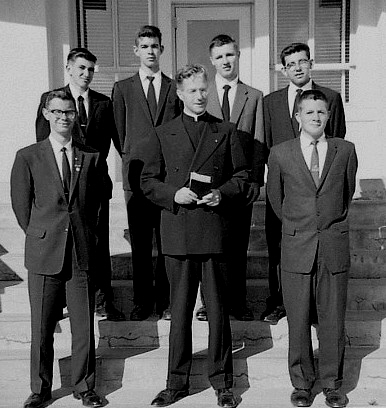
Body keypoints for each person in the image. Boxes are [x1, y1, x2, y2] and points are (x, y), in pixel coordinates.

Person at [139, 64, 250, 408]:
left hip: (214, 232)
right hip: (178, 235)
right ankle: (176, 384)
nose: (200, 96)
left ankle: (223, 383)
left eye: (204, 89)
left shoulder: (226, 130)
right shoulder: (162, 133)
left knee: (218, 312)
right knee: (180, 313)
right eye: (192, 90)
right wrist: (173, 194)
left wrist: (223, 194)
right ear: (180, 94)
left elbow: (244, 176)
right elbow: (147, 181)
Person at [12, 91, 106, 408]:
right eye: (57, 112)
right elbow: (22, 207)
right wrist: (41, 235)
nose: (64, 117)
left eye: (69, 112)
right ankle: (40, 389)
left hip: (80, 253)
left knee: (83, 327)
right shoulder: (28, 156)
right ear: (46, 113)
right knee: (42, 328)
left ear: (74, 116)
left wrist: (85, 235)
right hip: (44, 252)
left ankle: (84, 386)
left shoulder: (90, 156)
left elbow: (94, 205)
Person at [267, 89, 357, 408]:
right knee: (299, 319)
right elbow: (277, 201)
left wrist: (327, 225)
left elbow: (345, 193)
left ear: (328, 116)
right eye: (309, 112)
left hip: (332, 245)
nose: (316, 118)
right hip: (296, 245)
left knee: (332, 319)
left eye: (321, 112)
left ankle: (332, 383)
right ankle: (302, 383)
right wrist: (300, 225)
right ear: (298, 117)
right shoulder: (280, 153)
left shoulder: (344, 150)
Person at [35, 48, 124, 321]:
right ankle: (62, 299)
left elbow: (118, 142)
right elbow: (42, 144)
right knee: (64, 241)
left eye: (91, 70)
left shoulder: (103, 103)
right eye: (82, 68)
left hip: (95, 184)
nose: (87, 74)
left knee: (98, 243)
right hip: (63, 187)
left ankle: (102, 299)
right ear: (69, 68)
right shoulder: (51, 99)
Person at [262, 42, 346, 324]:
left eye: (302, 61)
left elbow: (336, 146)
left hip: (318, 192)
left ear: (311, 63)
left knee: (318, 253)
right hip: (286, 188)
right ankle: (280, 301)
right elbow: (269, 147)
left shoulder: (330, 98)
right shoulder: (270, 102)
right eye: (291, 64)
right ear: (283, 69)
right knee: (279, 246)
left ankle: (314, 305)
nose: (297, 68)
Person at [112, 25, 181, 321]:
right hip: (136, 176)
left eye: (155, 46)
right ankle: (142, 301)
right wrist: (131, 155)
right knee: (140, 245)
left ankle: (165, 302)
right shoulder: (123, 88)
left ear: (162, 50)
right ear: (136, 50)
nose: (150, 51)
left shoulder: (172, 87)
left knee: (167, 243)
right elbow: (118, 130)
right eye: (145, 46)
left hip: (166, 178)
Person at [194, 34, 264, 322]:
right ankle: (207, 303)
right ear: (212, 61)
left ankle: (238, 300)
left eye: (230, 55)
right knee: (208, 246)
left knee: (237, 244)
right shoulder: (202, 96)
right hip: (207, 186)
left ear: (238, 57)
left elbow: (259, 143)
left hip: (239, 183)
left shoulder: (254, 96)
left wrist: (255, 183)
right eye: (220, 56)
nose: (225, 61)